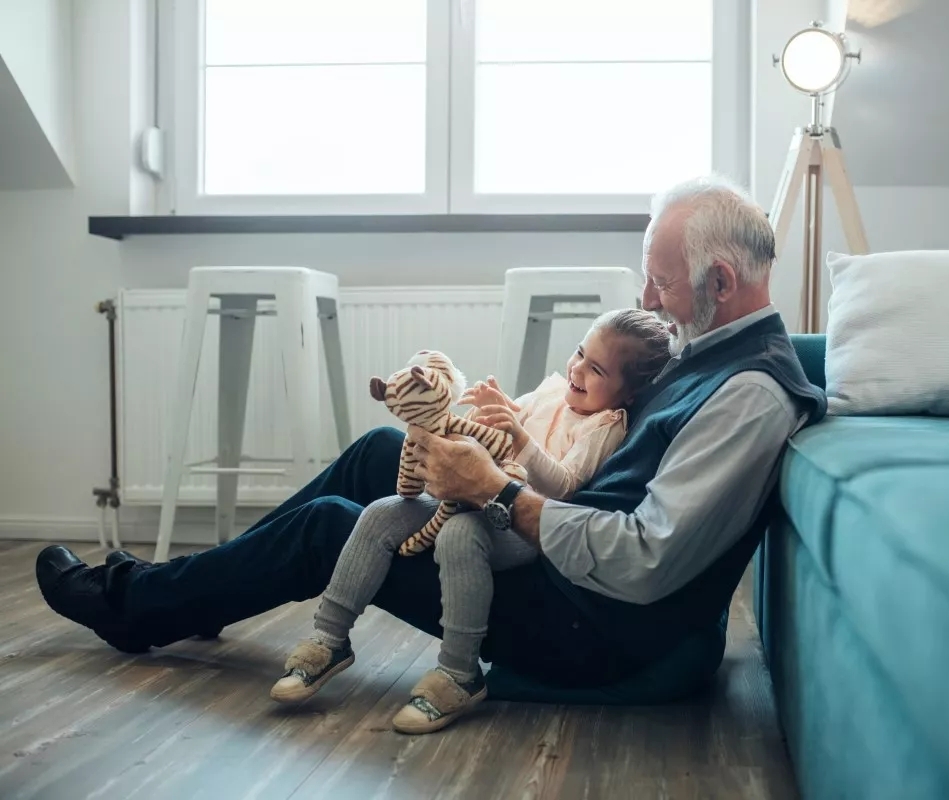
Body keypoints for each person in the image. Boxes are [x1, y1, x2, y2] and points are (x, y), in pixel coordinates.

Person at [33, 173, 828, 735]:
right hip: (562, 566)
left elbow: (646, 560)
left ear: (720, 280)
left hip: (597, 631)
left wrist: (501, 494)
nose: (648, 300)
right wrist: (501, 440)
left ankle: (130, 609)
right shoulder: (710, 347)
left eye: (659, 284)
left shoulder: (749, 395)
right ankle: (194, 597)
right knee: (383, 448)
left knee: (335, 526)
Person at [269, 308, 673, 735]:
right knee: (380, 514)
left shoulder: (605, 425)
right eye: (579, 354)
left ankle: (459, 673)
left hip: (520, 521)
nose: (577, 370)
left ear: (628, 393)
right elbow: (502, 427)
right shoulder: (555, 389)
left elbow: (564, 487)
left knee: (460, 535)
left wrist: (519, 436)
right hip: (471, 495)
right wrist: (494, 410)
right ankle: (328, 640)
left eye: (597, 370)